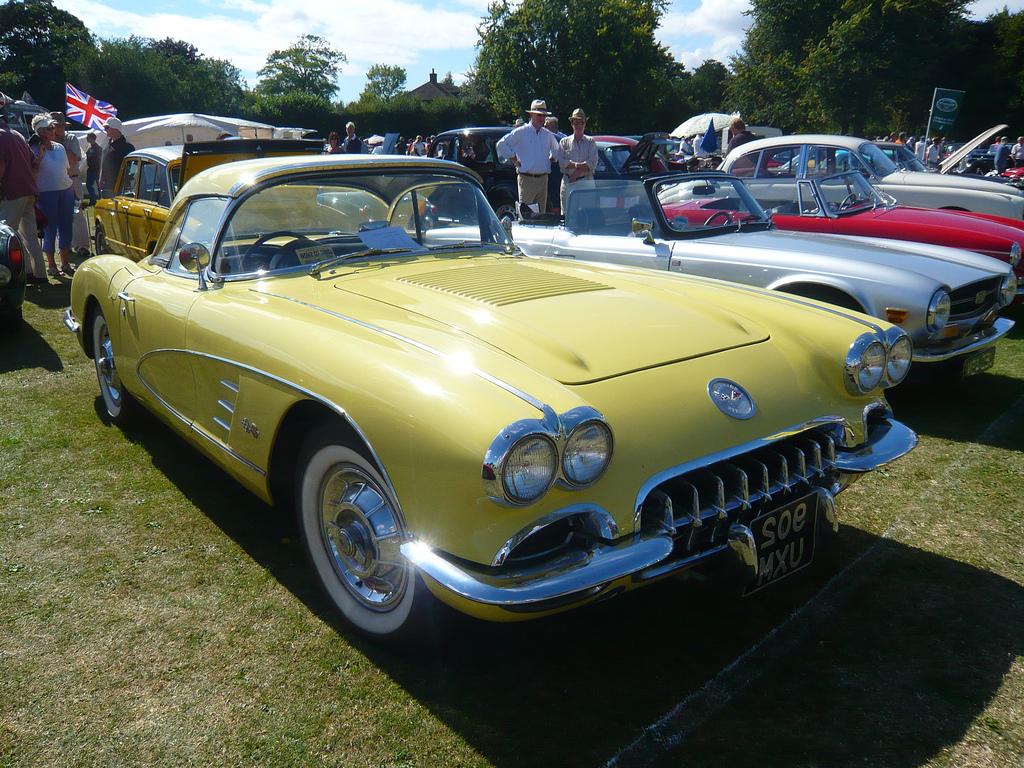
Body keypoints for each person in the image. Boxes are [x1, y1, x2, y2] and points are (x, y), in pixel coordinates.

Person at [0, 110, 47, 283]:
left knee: (7, 236)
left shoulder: (1, 136)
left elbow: (1, 164)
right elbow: (35, 162)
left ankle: (14, 275)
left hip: (13, 192)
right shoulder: (18, 135)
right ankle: (38, 274)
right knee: (30, 236)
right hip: (28, 191)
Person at [496, 98, 560, 215]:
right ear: (531, 115)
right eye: (539, 115)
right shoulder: (521, 132)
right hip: (526, 179)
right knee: (525, 215)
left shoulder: (547, 134)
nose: (542, 118)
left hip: (543, 179)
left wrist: (552, 158)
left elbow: (556, 149)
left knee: (541, 216)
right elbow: (501, 144)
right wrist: (514, 159)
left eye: (543, 116)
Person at [30, 114, 75, 277]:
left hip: (66, 191)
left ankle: (65, 263)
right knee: (49, 228)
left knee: (66, 227)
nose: (53, 130)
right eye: (49, 128)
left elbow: (66, 169)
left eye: (53, 127)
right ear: (39, 131)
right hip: (46, 193)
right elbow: (32, 169)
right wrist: (40, 155)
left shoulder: (59, 147)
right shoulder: (34, 149)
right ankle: (51, 265)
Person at [557, 108, 597, 213]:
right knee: (567, 216)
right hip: (567, 182)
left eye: (581, 122)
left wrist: (573, 168)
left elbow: (592, 164)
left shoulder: (591, 142)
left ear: (585, 124)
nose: (579, 125)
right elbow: (561, 163)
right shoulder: (564, 142)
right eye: (576, 122)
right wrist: (580, 166)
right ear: (571, 124)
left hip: (586, 183)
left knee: (587, 216)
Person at [99, 117, 134, 196]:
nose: (105, 130)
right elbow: (104, 162)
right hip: (107, 187)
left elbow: (131, 169)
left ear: (115, 129)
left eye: (107, 128)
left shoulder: (127, 147)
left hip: (121, 188)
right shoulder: (108, 145)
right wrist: (101, 177)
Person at [83, 132, 100, 206]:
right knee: (88, 185)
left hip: (96, 170)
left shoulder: (98, 148)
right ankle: (93, 200)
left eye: (88, 137)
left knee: (99, 186)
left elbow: (100, 159)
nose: (86, 138)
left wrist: (99, 170)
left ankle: (101, 200)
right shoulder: (89, 148)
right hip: (90, 170)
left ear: (92, 138)